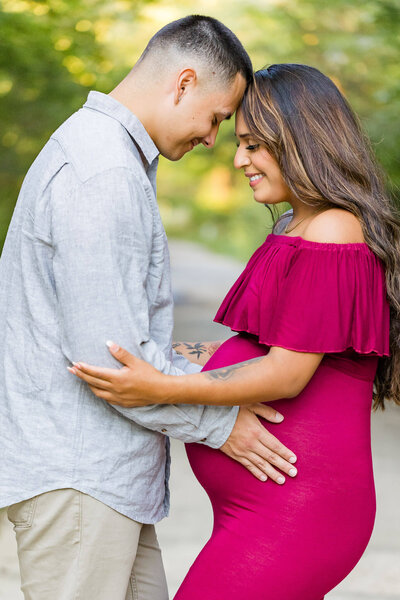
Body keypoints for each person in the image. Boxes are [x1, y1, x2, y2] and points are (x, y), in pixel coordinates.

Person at [71, 64, 400, 599]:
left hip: (297, 513)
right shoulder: (299, 226)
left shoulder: (335, 229)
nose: (239, 159)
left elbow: (286, 372)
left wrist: (162, 387)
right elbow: (251, 346)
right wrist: (163, 353)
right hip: (270, 511)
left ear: (300, 139)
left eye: (253, 144)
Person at [0, 18, 299, 600]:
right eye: (215, 118)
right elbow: (110, 362)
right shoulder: (103, 173)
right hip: (79, 482)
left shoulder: (108, 156)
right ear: (183, 82)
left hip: (100, 484)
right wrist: (220, 423)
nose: (215, 140)